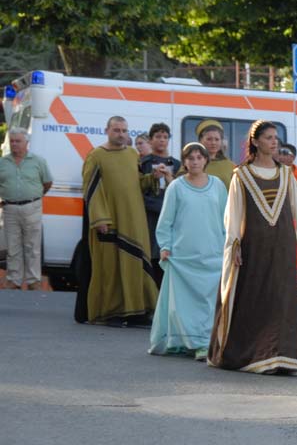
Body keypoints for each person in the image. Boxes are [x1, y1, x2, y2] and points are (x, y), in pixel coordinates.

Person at [207, 120, 297, 375]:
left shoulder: (286, 174)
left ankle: (284, 357)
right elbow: (233, 214)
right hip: (253, 246)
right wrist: (234, 244)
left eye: (275, 137)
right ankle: (256, 355)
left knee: (282, 300)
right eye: (268, 137)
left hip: (282, 247)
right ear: (255, 142)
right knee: (255, 299)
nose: (274, 141)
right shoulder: (241, 175)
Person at [75, 116, 159, 326]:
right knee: (110, 267)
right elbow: (91, 190)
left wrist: (153, 177)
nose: (121, 134)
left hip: (134, 220)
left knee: (136, 263)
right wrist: (100, 218)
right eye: (117, 130)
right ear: (107, 131)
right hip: (110, 221)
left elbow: (138, 183)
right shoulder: (96, 156)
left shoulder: (132, 154)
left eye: (124, 130)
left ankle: (138, 312)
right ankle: (111, 312)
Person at [149, 143, 227, 360]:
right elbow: (166, 221)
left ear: (205, 160)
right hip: (182, 256)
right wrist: (165, 246)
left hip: (213, 255)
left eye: (199, 157)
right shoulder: (176, 187)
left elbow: (226, 220)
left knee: (209, 303)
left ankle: (205, 342)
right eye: (190, 158)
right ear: (184, 162)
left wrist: (229, 246)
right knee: (183, 305)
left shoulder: (218, 186)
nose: (195, 162)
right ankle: (190, 343)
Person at [0, 128, 52, 290]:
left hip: (32, 207)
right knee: (12, 246)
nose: (14, 144)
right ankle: (14, 279)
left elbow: (47, 182)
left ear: (26, 143)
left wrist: (33, 197)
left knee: (32, 246)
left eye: (18, 141)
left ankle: (33, 280)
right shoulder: (3, 162)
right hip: (10, 208)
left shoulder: (38, 161)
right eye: (12, 141)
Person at [139, 123, 180, 288]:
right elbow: (138, 191)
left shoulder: (177, 164)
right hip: (150, 217)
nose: (162, 140)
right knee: (150, 255)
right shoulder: (144, 163)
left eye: (165, 137)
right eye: (158, 137)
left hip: (170, 219)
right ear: (150, 140)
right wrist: (153, 178)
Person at [196, 119, 236, 189]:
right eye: (209, 139)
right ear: (200, 141)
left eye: (217, 139)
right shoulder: (192, 163)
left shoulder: (230, 166)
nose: (213, 143)